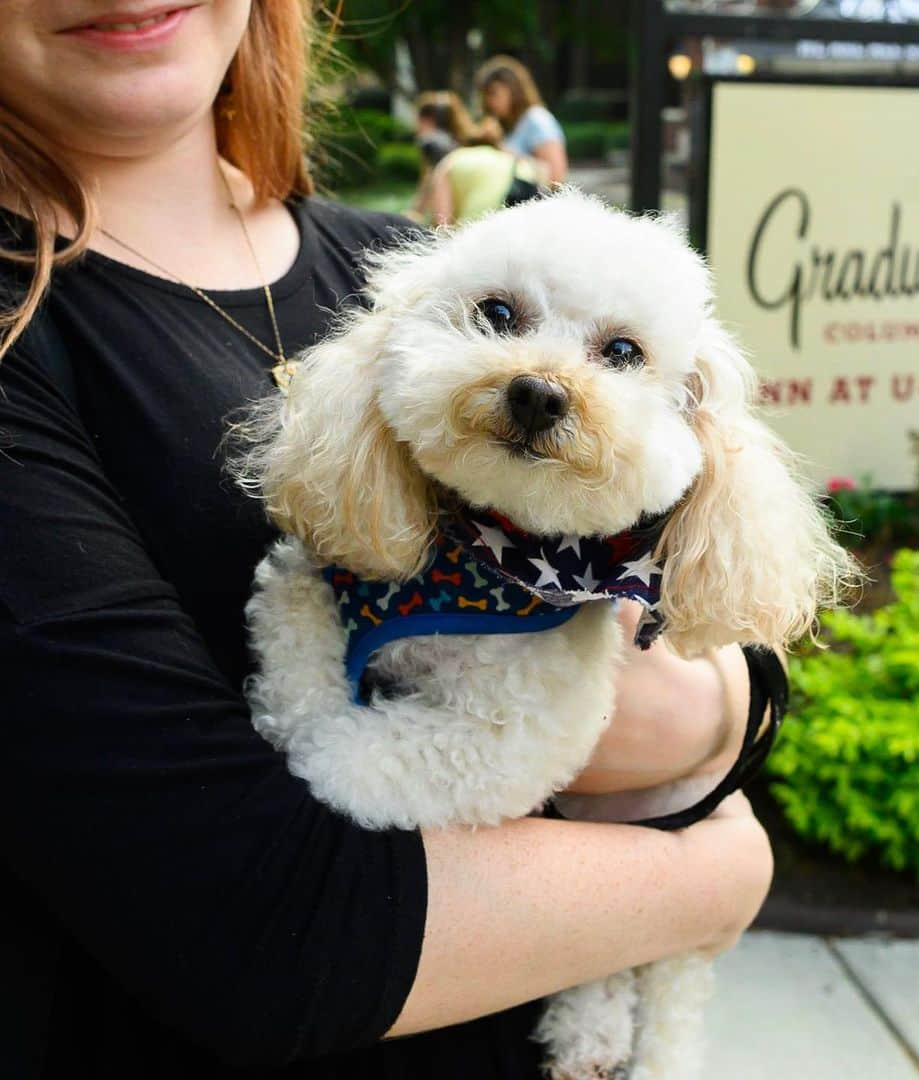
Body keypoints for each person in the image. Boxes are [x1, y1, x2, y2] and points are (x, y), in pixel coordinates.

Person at [0, 3, 774, 1078]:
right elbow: (262, 932)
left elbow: (723, 661)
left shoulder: (416, 261)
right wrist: (714, 880)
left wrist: (718, 712)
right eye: (506, 325)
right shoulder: (29, 337)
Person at [411, 90, 547, 226]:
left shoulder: (442, 161)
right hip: (528, 190)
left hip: (488, 214)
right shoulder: (481, 147)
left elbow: (442, 225)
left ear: (426, 121)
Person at [476, 55, 569, 185]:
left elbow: (556, 178)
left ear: (513, 90)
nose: (489, 101)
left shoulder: (537, 119)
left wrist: (501, 150)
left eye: (493, 93)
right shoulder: (504, 124)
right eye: (485, 95)